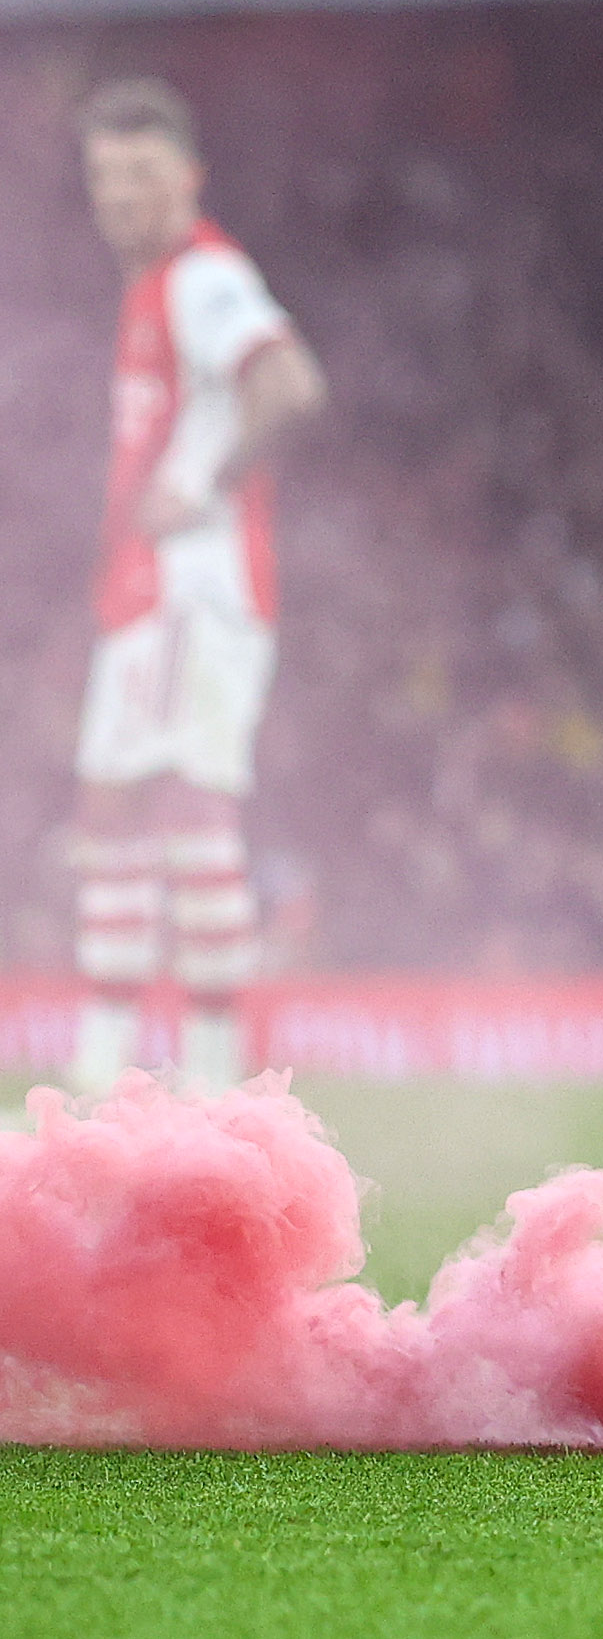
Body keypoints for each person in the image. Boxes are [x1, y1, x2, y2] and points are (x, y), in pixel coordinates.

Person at [67, 79, 327, 1094]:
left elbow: (292, 384)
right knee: (115, 807)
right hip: (146, 593)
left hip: (195, 590)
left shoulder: (202, 277)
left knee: (182, 805)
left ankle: (214, 1087)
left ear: (188, 177)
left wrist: (201, 486)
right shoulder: (149, 289)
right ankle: (106, 1079)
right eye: (104, 175)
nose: (120, 194)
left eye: (141, 173)